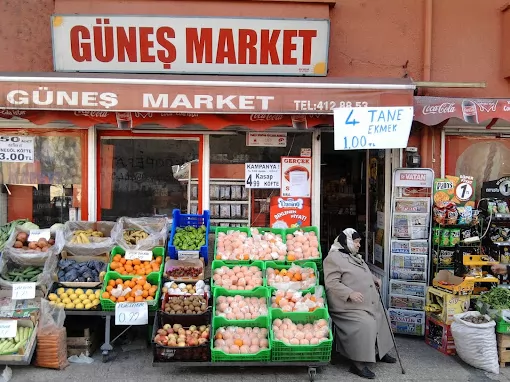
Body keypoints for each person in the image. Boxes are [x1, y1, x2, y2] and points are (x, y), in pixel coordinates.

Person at [324, 228, 396, 380]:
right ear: (346, 241)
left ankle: (380, 352)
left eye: (359, 242)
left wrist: (373, 278)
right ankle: (358, 364)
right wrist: (349, 293)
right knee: (366, 324)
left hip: (364, 302)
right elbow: (331, 283)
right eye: (356, 242)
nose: (358, 245)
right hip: (346, 306)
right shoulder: (333, 258)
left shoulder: (353, 256)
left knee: (383, 315)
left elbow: (363, 271)